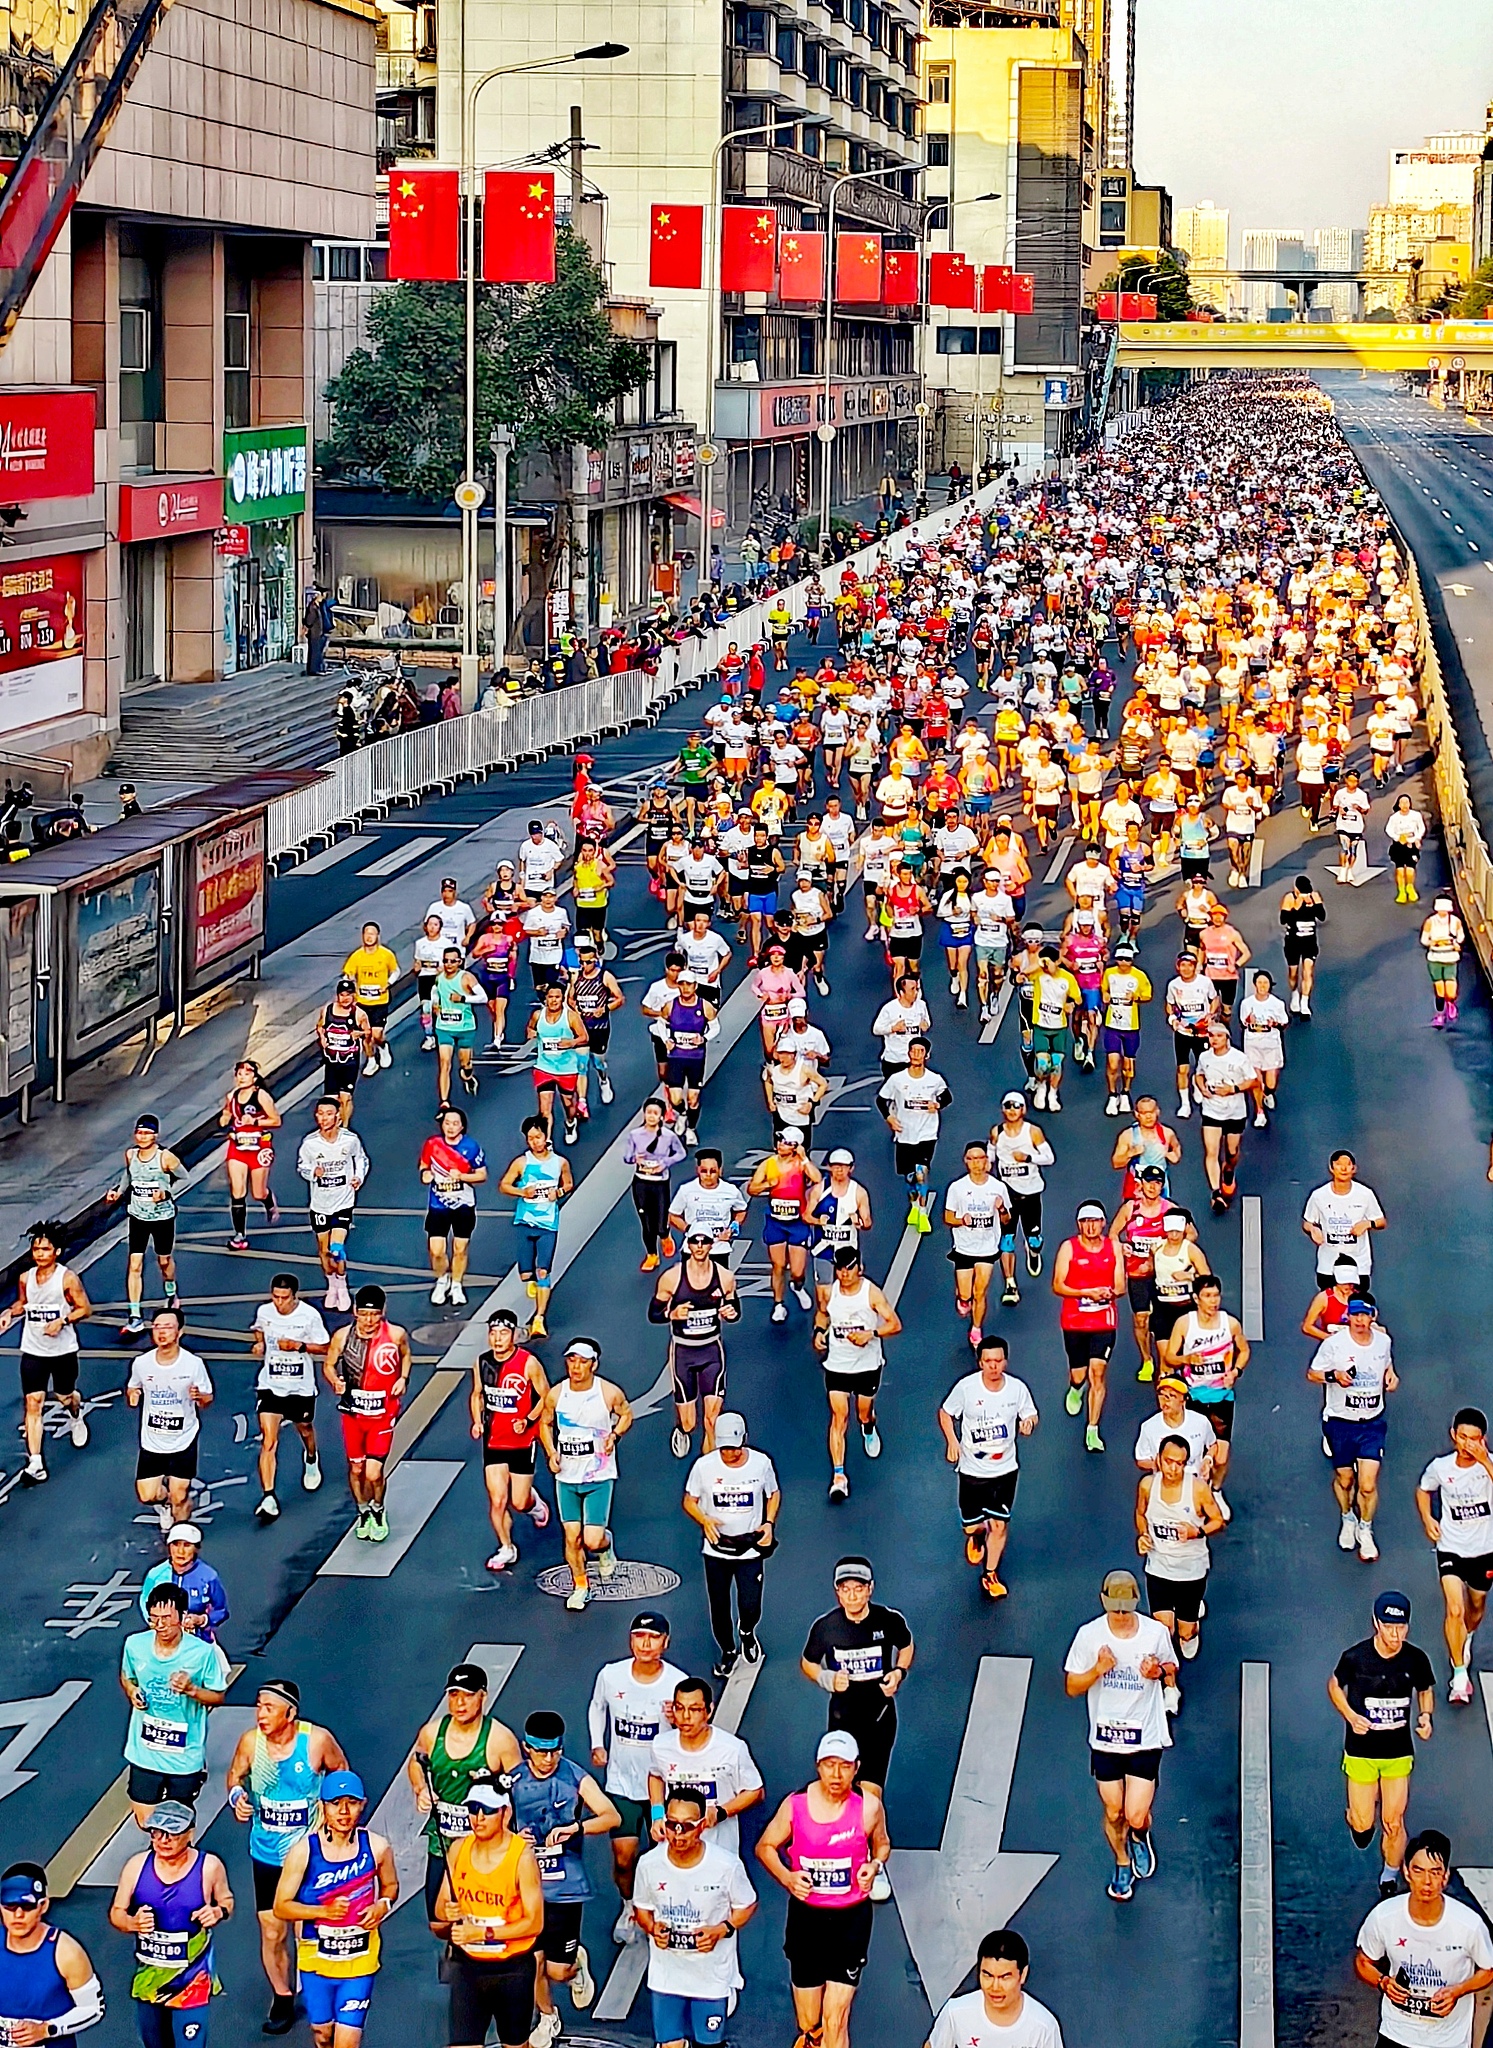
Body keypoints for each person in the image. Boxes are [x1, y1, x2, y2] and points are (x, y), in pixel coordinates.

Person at [226, 1683, 348, 2034]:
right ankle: (282, 1996)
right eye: (258, 1707)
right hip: (266, 1852)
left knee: (305, 1928)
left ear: (290, 1713)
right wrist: (237, 1798)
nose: (260, 1715)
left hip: (307, 1852)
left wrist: (333, 1816)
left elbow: (341, 1774)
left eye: (268, 1708)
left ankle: (317, 1990)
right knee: (271, 1930)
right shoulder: (252, 1743)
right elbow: (235, 1776)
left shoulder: (317, 1741)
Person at [755, 1732, 890, 2048]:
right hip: (807, 1919)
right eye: (829, 1766)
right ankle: (812, 2038)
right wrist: (788, 1878)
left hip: (851, 1919)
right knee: (809, 2021)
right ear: (818, 1766)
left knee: (836, 2019)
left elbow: (882, 1843)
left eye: (844, 1766)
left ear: (856, 1768)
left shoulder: (869, 1808)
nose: (836, 1775)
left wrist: (875, 1865)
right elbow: (765, 1846)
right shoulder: (795, 1805)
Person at [1063, 1568, 1176, 1902]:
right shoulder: (1089, 1636)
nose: (1122, 1616)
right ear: (1104, 1603)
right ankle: (1122, 1861)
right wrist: (1097, 1670)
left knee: (1135, 1814)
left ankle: (1140, 1835)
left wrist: (1157, 1672)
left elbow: (1170, 1668)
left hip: (1145, 1735)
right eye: (1116, 1609)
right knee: (1114, 1813)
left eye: (1127, 1609)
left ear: (1136, 1603)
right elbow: (1071, 1686)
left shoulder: (1154, 1633)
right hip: (1106, 1738)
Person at [510, 1712, 619, 2043]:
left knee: (557, 1970)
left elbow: (611, 1815)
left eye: (554, 1751)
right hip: (526, 1886)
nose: (548, 1759)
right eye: (541, 1752)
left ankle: (575, 1964)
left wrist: (577, 1827)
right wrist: (514, 1839)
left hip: (566, 1886)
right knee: (532, 1962)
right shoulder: (510, 1781)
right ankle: (547, 2016)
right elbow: (490, 1825)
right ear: (527, 1748)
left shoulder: (575, 1777)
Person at [272, 1772, 398, 2048]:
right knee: (323, 2035)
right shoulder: (304, 1851)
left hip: (360, 1958)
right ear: (322, 1807)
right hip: (316, 1959)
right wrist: (322, 1912)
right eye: (335, 1803)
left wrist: (383, 1905)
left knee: (347, 2041)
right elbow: (281, 1906)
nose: (343, 1811)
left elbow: (390, 1886)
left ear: (362, 1805)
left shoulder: (377, 1847)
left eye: (351, 1802)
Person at [632, 1781, 757, 2048]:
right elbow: (641, 1909)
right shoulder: (649, 1864)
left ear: (702, 1826)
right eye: (671, 1825)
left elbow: (747, 1904)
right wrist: (652, 1928)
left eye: (687, 1826)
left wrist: (722, 1929)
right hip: (667, 1976)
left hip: (710, 1978)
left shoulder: (726, 1866)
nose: (678, 1834)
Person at [1331, 1592, 1436, 1902]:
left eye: (1401, 1627)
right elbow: (1335, 1686)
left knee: (1393, 1821)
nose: (1395, 1635)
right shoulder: (1356, 1658)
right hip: (1361, 1751)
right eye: (1389, 1627)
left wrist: (1426, 1717)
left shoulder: (1415, 1659)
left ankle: (1391, 1872)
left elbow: (1425, 1690)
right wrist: (1350, 1716)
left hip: (1397, 1752)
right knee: (1365, 1824)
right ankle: (1356, 1818)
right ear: (1376, 1624)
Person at [589, 1616, 688, 1944]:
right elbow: (597, 1707)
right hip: (622, 1784)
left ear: (666, 1642)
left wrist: (677, 1721)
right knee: (624, 1857)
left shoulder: (677, 1683)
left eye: (653, 1637)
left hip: (664, 1787)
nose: (646, 1644)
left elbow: (692, 1729)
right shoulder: (611, 1674)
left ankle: (668, 1908)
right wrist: (597, 1743)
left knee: (670, 1852)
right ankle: (630, 1905)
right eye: (639, 1636)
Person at [109, 1799, 233, 2047]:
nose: (163, 1840)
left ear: (190, 1833)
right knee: (154, 2043)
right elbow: (116, 1912)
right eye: (157, 1833)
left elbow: (227, 1900)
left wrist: (217, 1912)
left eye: (172, 1833)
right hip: (151, 1978)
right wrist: (132, 1923)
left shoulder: (209, 1867)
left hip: (192, 1979)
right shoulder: (136, 1867)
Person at [800, 1556, 913, 1829]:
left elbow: (907, 1646)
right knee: (843, 1790)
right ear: (837, 1592)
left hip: (879, 1717)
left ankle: (874, 1849)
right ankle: (844, 1841)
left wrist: (899, 1672)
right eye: (846, 1589)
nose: (852, 1596)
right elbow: (808, 1662)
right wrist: (826, 1678)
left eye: (858, 1589)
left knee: (871, 1794)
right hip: (842, 1720)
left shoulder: (888, 1620)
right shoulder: (826, 1627)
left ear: (870, 1589)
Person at [409, 1664, 521, 1928]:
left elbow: (521, 1789)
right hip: (443, 1842)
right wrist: (421, 1788)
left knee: (484, 1919)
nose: (460, 1703)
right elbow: (416, 1763)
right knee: (439, 1923)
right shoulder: (431, 1733)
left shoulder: (500, 1740)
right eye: (454, 1695)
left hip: (485, 1846)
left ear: (483, 1696)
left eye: (468, 1695)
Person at [1354, 1830, 1493, 2039]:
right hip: (1396, 2034)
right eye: (1419, 1871)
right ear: (1406, 1872)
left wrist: (1458, 1991)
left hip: (1447, 2040)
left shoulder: (1469, 1925)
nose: (1427, 1881)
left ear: (1445, 1876)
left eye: (1435, 1872)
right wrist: (1383, 1983)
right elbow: (1364, 1962)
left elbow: (1488, 1970)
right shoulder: (1384, 1916)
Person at [120, 1584, 230, 1827]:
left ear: (182, 1617)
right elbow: (127, 1677)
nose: (160, 1625)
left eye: (167, 1619)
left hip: (184, 1755)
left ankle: (176, 1858)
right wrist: (132, 1691)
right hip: (145, 1751)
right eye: (154, 1619)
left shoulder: (202, 1653)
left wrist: (191, 1689)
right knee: (144, 1821)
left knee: (178, 1823)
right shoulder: (134, 1645)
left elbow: (218, 1696)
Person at [939, 1335, 1038, 1601]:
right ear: (980, 1362)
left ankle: (990, 1574)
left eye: (998, 1361)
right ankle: (976, 1535)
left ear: (1005, 1361)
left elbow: (1030, 1412)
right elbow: (946, 1412)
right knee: (972, 1526)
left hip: (1005, 1471)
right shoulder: (966, 1388)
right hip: (972, 1472)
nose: (993, 1366)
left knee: (1000, 1525)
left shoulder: (1017, 1389)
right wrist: (953, 1441)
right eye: (988, 1361)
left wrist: (1029, 1422)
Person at [684, 1412, 779, 1681]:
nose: (729, 1454)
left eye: (734, 1449)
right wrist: (704, 1520)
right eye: (724, 1449)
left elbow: (773, 1494)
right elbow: (689, 1501)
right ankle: (727, 1650)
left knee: (750, 1604)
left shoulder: (761, 1464)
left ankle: (747, 1631)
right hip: (716, 1550)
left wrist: (769, 1523)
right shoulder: (704, 1467)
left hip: (749, 1546)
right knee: (719, 1605)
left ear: (744, 1442)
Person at [540, 1337, 633, 1612]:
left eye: (582, 1361)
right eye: (571, 1360)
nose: (576, 1366)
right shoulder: (557, 1394)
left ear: (594, 1364)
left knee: (592, 1540)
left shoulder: (608, 1392)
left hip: (598, 1476)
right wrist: (551, 1452)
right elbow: (544, 1423)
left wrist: (614, 1435)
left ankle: (606, 1546)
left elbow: (626, 1414)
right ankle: (581, 1586)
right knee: (572, 1537)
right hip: (567, 1476)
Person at [0, 1221, 91, 1485]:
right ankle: (36, 1463)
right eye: (36, 1249)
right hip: (33, 1350)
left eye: (45, 1249)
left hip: (62, 1350)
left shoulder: (67, 1279)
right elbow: (24, 1303)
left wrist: (62, 1321)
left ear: (57, 1252)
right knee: (33, 1403)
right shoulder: (25, 1278)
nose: (39, 1254)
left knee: (65, 1396)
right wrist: (9, 1312)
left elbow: (85, 1309)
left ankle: (76, 1413)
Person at [1309, 1295, 1397, 1562]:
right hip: (1340, 1421)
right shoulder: (1333, 1345)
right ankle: (1348, 1515)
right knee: (1346, 1480)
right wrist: (1333, 1376)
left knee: (1368, 1485)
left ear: (1373, 1315)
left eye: (1364, 1315)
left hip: (1371, 1422)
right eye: (1354, 1315)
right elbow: (1312, 1374)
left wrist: (1390, 1376)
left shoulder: (1384, 1341)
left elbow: (1386, 1365)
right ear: (1348, 1316)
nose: (1359, 1321)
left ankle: (1365, 1527)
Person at [1416, 1408, 1493, 1706]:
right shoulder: (1440, 1467)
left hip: (1484, 1551)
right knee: (1455, 1610)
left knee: (1475, 1609)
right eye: (1462, 1437)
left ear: (1482, 1439)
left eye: (1474, 1439)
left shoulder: (1488, 1467)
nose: (1467, 1444)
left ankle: (1467, 1637)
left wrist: (1485, 1460)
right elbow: (1424, 1491)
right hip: (1451, 1548)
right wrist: (1427, 1518)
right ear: (1453, 1436)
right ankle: (1459, 1675)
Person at [322, 1286, 411, 1543]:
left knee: (374, 1473)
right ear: (354, 1312)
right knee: (356, 1468)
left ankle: (378, 1509)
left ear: (382, 1312)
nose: (369, 1320)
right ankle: (363, 1510)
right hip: (353, 1413)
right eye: (363, 1314)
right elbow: (328, 1364)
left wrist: (402, 1378)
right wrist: (335, 1381)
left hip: (382, 1414)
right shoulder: (342, 1337)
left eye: (374, 1315)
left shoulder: (395, 1335)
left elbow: (406, 1356)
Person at [1157, 1273, 1248, 1519]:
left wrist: (1236, 1371)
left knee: (1221, 1455)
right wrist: (1187, 1359)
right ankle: (1190, 1494)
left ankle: (1215, 1490)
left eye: (1216, 1295)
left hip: (1221, 1396)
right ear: (1196, 1298)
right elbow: (1170, 1357)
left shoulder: (1230, 1324)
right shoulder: (1185, 1324)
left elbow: (1244, 1350)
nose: (1213, 1301)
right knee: (1194, 1451)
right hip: (1193, 1397)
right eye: (1207, 1296)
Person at [1135, 1436, 1223, 1684]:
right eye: (1169, 1462)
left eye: (1180, 1463)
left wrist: (1198, 1531)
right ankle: (1168, 1683)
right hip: (1158, 1568)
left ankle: (1192, 1627)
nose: (1174, 1468)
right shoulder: (1147, 1486)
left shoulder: (1197, 1489)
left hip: (1190, 1571)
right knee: (1163, 1629)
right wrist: (1143, 1535)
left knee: (1185, 1632)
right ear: (1159, 1460)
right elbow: (1141, 1514)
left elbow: (1218, 1520)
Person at [647, 1677, 764, 1858]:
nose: (686, 1717)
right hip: (674, 1850)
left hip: (719, 1851)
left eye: (694, 1709)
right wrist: (657, 1815)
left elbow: (755, 1792)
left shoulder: (732, 1748)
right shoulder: (660, 1745)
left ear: (709, 1711)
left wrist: (721, 1812)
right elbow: (656, 1776)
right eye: (679, 1708)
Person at [818, 1247, 901, 1502]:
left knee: (863, 1412)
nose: (844, 1274)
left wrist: (871, 1334)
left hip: (867, 1365)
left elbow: (895, 1324)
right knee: (839, 1417)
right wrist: (819, 1333)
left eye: (849, 1268)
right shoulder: (828, 1292)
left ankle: (868, 1427)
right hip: (838, 1365)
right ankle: (839, 1476)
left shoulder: (871, 1293)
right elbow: (822, 1315)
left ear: (859, 1269)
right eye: (840, 1269)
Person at [470, 1310, 551, 1571]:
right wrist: (477, 1421)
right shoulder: (482, 1363)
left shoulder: (528, 1363)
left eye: (503, 1333)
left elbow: (546, 1397)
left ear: (514, 1335)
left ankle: (535, 1504)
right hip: (494, 1441)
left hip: (522, 1441)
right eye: (493, 1333)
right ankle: (506, 1547)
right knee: (497, 1500)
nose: (497, 1339)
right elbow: (477, 1395)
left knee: (519, 1502)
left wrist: (527, 1420)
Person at [652, 1232, 741, 1462]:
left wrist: (729, 1313)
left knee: (712, 1420)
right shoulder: (671, 1278)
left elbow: (734, 1308)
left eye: (704, 1242)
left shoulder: (724, 1277)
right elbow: (653, 1313)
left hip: (711, 1351)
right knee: (690, 1422)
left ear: (711, 1245)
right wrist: (672, 1314)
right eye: (695, 1241)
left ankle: (709, 1470)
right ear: (688, 1244)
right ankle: (682, 1428)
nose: (699, 1246)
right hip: (683, 1353)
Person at [250, 1274, 329, 1520]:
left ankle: (311, 1457)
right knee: (268, 1441)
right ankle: (269, 1497)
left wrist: (299, 1346)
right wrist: (259, 1344)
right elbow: (259, 1330)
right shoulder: (265, 1312)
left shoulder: (309, 1316)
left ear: (295, 1296)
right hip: (271, 1384)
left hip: (299, 1386)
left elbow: (326, 1347)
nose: (279, 1303)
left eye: (284, 1298)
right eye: (275, 1297)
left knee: (304, 1428)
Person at [128, 1309, 213, 1533]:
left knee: (180, 1495)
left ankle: (181, 1534)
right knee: (147, 1495)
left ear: (179, 1332)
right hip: (152, 1441)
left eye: (167, 1327)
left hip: (183, 1439)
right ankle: (165, 1505)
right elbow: (133, 1386)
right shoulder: (141, 1363)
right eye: (157, 1327)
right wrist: (133, 1395)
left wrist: (200, 1398)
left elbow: (207, 1398)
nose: (161, 1332)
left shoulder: (193, 1364)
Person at [0, 1862, 104, 2045]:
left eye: (27, 1907)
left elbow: (93, 2009)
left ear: (43, 1906)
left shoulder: (66, 1952)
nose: (18, 1915)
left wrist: (47, 2029)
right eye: (10, 1906)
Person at [1052, 1203, 1124, 1454]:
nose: (1090, 1226)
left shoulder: (1113, 1247)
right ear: (1079, 1225)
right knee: (1079, 1374)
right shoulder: (1068, 1248)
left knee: (1098, 1374)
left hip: (1104, 1320)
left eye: (1095, 1221)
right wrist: (1086, 1293)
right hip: (1074, 1321)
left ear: (1103, 1223)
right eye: (1085, 1221)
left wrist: (1108, 1293)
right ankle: (1075, 1388)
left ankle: (1092, 1429)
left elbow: (1121, 1285)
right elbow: (1058, 1285)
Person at [105, 1115, 184, 1337]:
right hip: (138, 1215)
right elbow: (128, 1175)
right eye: (139, 1133)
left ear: (155, 1135)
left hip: (162, 1217)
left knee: (164, 1261)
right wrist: (118, 1192)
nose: (142, 1137)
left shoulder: (165, 1158)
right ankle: (135, 1316)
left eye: (147, 1133)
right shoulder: (131, 1155)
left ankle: (171, 1291)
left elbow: (184, 1177)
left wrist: (166, 1192)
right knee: (135, 1265)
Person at [924, 1928, 1064, 2048]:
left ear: (1022, 1975)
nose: (995, 1987)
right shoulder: (955, 2012)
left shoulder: (1044, 2026)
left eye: (1005, 1977)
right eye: (988, 1975)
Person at [499, 1119, 573, 1340]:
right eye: (530, 1138)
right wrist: (523, 1193)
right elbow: (504, 1185)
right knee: (525, 1273)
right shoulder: (521, 1163)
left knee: (544, 1271)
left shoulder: (560, 1163)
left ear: (545, 1137)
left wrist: (558, 1193)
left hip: (548, 1223)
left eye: (538, 1137)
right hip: (524, 1222)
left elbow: (568, 1183)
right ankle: (531, 1281)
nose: (534, 1142)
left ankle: (539, 1318)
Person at [296, 1098, 369, 1313]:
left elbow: (361, 1159)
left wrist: (358, 1177)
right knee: (324, 1250)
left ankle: (343, 1284)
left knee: (337, 1248)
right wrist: (312, 1173)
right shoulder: (310, 1144)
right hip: (320, 1204)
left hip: (343, 1200)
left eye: (329, 1113)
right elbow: (302, 1167)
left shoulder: (350, 1140)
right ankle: (332, 1284)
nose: (324, 1118)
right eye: (321, 1113)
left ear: (338, 1117)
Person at [747, 1130, 822, 1325]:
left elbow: (817, 1179)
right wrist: (766, 1185)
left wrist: (804, 1159)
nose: (781, 1145)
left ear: (796, 1147)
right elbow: (752, 1188)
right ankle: (778, 1304)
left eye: (787, 1143)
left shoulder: (800, 1165)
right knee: (778, 1265)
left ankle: (797, 1286)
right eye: (780, 1140)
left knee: (797, 1270)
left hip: (797, 1222)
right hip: (776, 1222)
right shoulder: (769, 1164)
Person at [876, 1036, 951, 1231]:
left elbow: (946, 1096)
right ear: (908, 1054)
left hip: (927, 1133)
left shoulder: (935, 1079)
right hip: (904, 1134)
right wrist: (889, 1118)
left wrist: (938, 1104)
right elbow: (881, 1099)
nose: (916, 1054)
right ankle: (915, 1206)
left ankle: (923, 1212)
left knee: (921, 1172)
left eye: (921, 1051)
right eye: (913, 1050)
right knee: (910, 1176)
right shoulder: (897, 1079)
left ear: (927, 1055)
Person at [943, 1141, 1011, 1348]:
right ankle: (963, 1300)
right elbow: (947, 1217)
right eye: (971, 1158)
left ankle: (976, 1328)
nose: (975, 1163)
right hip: (964, 1247)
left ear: (987, 1161)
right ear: (966, 1161)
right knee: (967, 1293)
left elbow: (1007, 1219)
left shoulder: (998, 1188)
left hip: (987, 1248)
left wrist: (1000, 1210)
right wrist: (962, 1220)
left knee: (980, 1291)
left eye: (979, 1158)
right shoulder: (957, 1188)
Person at [419, 1105, 487, 1307]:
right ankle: (442, 1279)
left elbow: (482, 1175)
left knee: (460, 1248)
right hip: (438, 1205)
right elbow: (424, 1165)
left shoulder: (472, 1147)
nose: (450, 1127)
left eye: (455, 1123)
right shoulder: (432, 1144)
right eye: (447, 1123)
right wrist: (425, 1174)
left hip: (463, 1205)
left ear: (462, 1126)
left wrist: (463, 1176)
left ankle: (456, 1284)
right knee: (436, 1250)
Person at [1192, 1018, 1256, 1215]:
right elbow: (1199, 1074)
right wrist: (1202, 1088)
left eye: (1219, 1036)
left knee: (1231, 1153)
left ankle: (1228, 1173)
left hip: (1235, 1112)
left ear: (1227, 1038)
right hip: (1211, 1110)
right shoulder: (1204, 1057)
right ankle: (1216, 1193)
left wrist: (1233, 1089)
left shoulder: (1239, 1059)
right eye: (1211, 1036)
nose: (1214, 1040)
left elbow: (1253, 1081)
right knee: (1211, 1152)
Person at [219, 1058, 282, 1247]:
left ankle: (269, 1201)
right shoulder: (232, 1097)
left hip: (259, 1148)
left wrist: (254, 1122)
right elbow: (225, 1116)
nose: (242, 1077)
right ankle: (239, 1235)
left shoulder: (261, 1096)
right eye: (239, 1074)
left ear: (254, 1078)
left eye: (246, 1074)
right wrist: (225, 1118)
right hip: (238, 1147)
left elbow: (276, 1121)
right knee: (237, 1192)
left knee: (257, 1192)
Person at [1302, 1149, 1386, 1290]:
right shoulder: (1319, 1195)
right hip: (1328, 1265)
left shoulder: (1365, 1194)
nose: (1344, 1168)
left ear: (1354, 1169)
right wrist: (1312, 1229)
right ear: (1331, 1168)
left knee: (1356, 1307)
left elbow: (1381, 1221)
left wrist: (1367, 1224)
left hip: (1358, 1264)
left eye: (1348, 1165)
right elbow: (1307, 1222)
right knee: (1330, 1306)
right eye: (1339, 1164)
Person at [139, 1524, 228, 1645]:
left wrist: (201, 1620)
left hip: (198, 1641)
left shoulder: (209, 1577)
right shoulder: (155, 1575)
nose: (180, 1551)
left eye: (187, 1545)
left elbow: (221, 1610)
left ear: (197, 1548)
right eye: (175, 1544)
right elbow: (145, 1603)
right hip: (162, 1639)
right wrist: (158, 1623)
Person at [341, 924, 399, 1076]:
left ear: (378, 936)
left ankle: (382, 1046)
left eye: (372, 933)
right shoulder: (357, 956)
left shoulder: (386, 955)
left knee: (376, 1034)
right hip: (362, 1002)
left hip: (380, 1001)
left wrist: (388, 984)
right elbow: (347, 974)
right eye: (366, 933)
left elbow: (396, 971)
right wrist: (349, 987)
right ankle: (371, 1060)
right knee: (365, 1034)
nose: (369, 936)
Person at [316, 977, 372, 1126]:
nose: (345, 998)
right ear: (337, 995)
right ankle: (333, 1125)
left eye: (349, 994)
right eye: (342, 994)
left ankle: (345, 1127)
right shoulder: (327, 1010)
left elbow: (368, 1032)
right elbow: (320, 1026)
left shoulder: (359, 1014)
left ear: (354, 996)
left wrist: (358, 1034)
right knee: (332, 1099)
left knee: (345, 1098)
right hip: (332, 1061)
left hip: (350, 1062)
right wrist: (322, 1037)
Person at [1279, 874, 1326, 1016]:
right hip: (1293, 941)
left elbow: (1322, 917)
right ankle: (1294, 994)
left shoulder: (1314, 897)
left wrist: (1317, 904)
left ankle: (1305, 1001)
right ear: (1296, 890)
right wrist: (1296, 906)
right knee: (1293, 973)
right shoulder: (1289, 898)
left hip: (1309, 941)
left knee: (1308, 971)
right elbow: (1284, 920)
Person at [1421, 893, 1467, 1027]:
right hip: (1435, 959)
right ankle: (1440, 1015)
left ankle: (1450, 1003)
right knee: (1440, 991)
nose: (1442, 912)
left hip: (1450, 958)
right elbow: (1424, 940)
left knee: (1451, 992)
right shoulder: (1430, 922)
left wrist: (1456, 943)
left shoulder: (1455, 921)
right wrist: (1433, 942)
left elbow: (1461, 937)